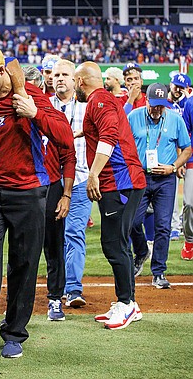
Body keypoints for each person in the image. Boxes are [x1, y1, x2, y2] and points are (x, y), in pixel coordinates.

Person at [0, 43, 74, 365]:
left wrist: (35, 114)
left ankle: (14, 334)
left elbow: (65, 137)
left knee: (24, 264)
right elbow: (10, 62)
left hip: (28, 191)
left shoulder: (31, 96)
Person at [74, 61, 146, 330]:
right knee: (118, 243)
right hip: (123, 180)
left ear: (81, 82)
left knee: (114, 244)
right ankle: (129, 303)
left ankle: (126, 304)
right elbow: (105, 130)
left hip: (119, 181)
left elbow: (109, 137)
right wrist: (86, 132)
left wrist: (93, 174)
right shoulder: (104, 99)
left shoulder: (98, 100)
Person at [127, 83, 191, 288]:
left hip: (165, 179)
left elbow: (187, 149)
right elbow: (123, 145)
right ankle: (142, 252)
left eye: (161, 106)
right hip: (140, 177)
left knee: (163, 226)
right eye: (154, 106)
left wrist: (173, 167)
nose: (157, 110)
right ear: (146, 101)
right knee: (132, 222)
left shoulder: (175, 118)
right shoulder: (134, 117)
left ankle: (159, 272)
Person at [49, 59, 90, 310]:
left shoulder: (86, 109)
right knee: (52, 239)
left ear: (75, 80)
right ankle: (55, 287)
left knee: (74, 233)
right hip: (51, 181)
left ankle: (73, 288)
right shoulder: (43, 107)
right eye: (56, 75)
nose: (60, 79)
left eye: (65, 74)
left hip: (81, 179)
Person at [167, 73, 191, 241]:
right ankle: (175, 225)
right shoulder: (164, 103)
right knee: (172, 193)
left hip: (187, 154)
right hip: (170, 153)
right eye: (175, 86)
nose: (177, 89)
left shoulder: (187, 104)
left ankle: (183, 224)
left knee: (188, 198)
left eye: (181, 87)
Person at [182, 95, 193, 261]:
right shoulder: (190, 102)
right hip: (192, 160)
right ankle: (189, 241)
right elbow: (185, 132)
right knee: (189, 203)